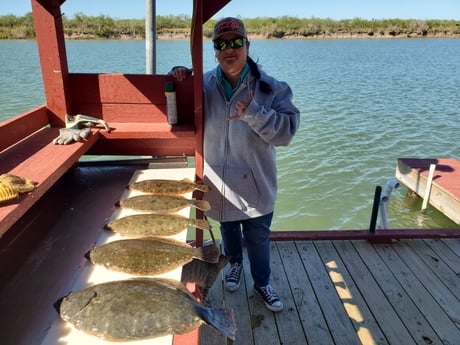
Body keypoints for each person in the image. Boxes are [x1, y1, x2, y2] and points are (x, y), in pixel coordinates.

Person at [171, 17, 300, 312]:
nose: (230, 49)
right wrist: (176, 78)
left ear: (247, 45)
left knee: (258, 238)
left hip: (257, 184)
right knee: (228, 231)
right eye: (222, 44)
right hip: (218, 184)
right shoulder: (201, 84)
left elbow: (287, 134)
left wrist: (254, 112)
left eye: (236, 42)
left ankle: (263, 283)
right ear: (215, 50)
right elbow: (174, 107)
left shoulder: (271, 88)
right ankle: (234, 265)